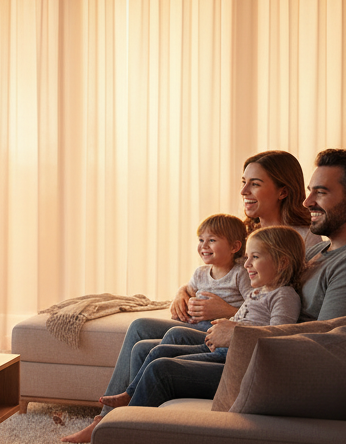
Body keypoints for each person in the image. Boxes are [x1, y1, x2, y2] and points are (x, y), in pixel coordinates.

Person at [2, 149, 346, 444]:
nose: (308, 199)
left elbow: (330, 342)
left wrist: (238, 329)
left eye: (321, 192)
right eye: (310, 189)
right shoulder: (330, 249)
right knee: (153, 346)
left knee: (161, 371)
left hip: (278, 369)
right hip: (264, 352)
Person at [100, 151, 316, 404]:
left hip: (234, 330)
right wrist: (183, 292)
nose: (244, 190)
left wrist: (226, 311)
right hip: (216, 324)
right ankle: (108, 415)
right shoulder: (243, 231)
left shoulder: (304, 240)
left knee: (162, 353)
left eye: (255, 184)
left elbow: (282, 304)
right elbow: (217, 272)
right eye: (243, 182)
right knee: (140, 328)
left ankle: (123, 415)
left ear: (283, 191)